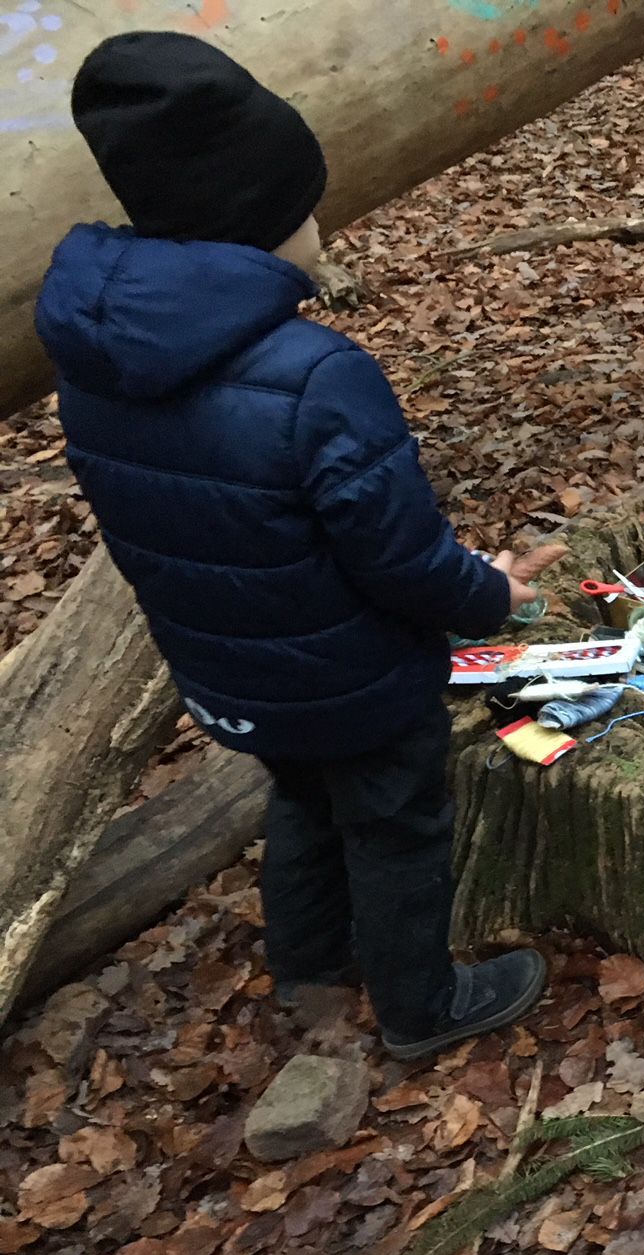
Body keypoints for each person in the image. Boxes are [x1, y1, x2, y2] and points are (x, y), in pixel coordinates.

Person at [35, 33, 563, 1061]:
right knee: (397, 823)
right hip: (356, 680)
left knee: (303, 800)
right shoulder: (317, 375)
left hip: (229, 671)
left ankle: (312, 966)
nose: (324, 223)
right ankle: (421, 1007)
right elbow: (400, 560)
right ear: (261, 218)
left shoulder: (94, 363)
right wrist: (488, 595)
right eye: (309, 204)